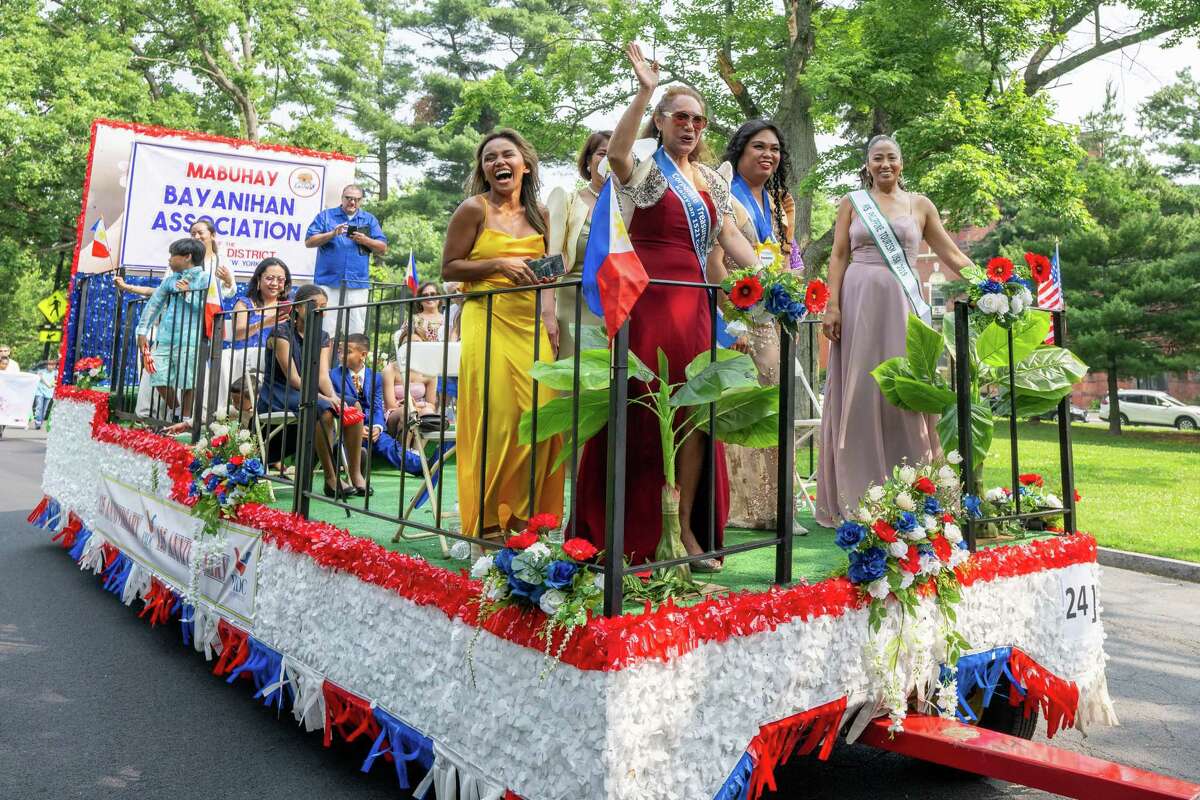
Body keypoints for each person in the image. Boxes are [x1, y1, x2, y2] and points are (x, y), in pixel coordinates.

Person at [571, 44, 761, 570]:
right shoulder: (649, 167)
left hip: (696, 305)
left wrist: (772, 280)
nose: (692, 126)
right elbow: (615, 156)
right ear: (661, 121)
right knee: (644, 407)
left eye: (699, 119)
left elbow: (734, 240)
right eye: (681, 116)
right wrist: (644, 90)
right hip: (649, 300)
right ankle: (634, 529)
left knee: (696, 415)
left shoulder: (711, 182)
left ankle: (686, 537)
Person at [815, 134, 973, 526]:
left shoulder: (920, 205)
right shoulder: (852, 203)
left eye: (892, 158)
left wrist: (989, 284)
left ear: (902, 163)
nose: (885, 164)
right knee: (861, 389)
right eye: (877, 158)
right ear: (867, 164)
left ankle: (914, 485)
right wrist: (832, 305)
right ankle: (859, 490)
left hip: (903, 306)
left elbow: (950, 253)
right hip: (858, 302)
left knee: (907, 389)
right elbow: (837, 256)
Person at [441, 129, 565, 539]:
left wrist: (550, 315)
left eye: (506, 155)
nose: (498, 162)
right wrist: (497, 265)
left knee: (542, 420)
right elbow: (450, 268)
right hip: (486, 316)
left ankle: (533, 522)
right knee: (498, 420)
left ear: (525, 165)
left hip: (531, 324)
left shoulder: (542, 215)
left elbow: (550, 273)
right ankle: (491, 521)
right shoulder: (472, 210)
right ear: (483, 170)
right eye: (489, 158)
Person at [710, 119, 798, 529]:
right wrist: (736, 321)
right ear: (740, 150)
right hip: (732, 314)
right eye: (759, 146)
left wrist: (792, 284)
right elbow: (716, 257)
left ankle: (774, 507)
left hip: (770, 315)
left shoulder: (779, 204)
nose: (768, 155)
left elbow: (786, 258)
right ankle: (741, 506)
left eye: (775, 149)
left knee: (773, 405)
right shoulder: (725, 194)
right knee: (739, 406)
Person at [258, 284, 365, 498]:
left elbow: (322, 376)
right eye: (315, 306)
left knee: (353, 404)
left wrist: (333, 396)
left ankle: (355, 474)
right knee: (323, 409)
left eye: (324, 307)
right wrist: (325, 399)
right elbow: (294, 378)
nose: (320, 312)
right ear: (299, 307)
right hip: (281, 392)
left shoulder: (322, 335)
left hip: (309, 391)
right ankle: (330, 478)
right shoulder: (281, 332)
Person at [134, 238, 235, 420]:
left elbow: (213, 309)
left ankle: (186, 420)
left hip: (192, 339)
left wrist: (188, 294)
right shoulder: (170, 281)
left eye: (173, 256)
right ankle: (177, 410)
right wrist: (142, 331)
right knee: (155, 372)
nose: (169, 260)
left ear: (187, 257)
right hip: (165, 337)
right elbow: (153, 305)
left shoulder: (207, 279)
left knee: (189, 380)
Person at [546, 131, 610, 355]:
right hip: (573, 308)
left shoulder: (632, 207)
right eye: (602, 153)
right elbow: (551, 259)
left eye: (616, 154)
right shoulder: (569, 201)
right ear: (588, 161)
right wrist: (546, 312)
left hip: (618, 309)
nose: (609, 159)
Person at [305, 185, 388, 339]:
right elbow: (309, 241)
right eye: (349, 198)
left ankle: (348, 364)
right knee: (325, 333)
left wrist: (365, 240)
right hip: (328, 282)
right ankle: (325, 363)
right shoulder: (326, 216)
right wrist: (331, 234)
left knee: (355, 334)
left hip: (357, 283)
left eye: (356, 199)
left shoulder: (369, 219)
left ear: (361, 201)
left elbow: (383, 248)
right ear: (342, 198)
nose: (352, 202)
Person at [225, 257, 293, 376]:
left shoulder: (290, 306)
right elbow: (238, 334)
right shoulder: (245, 303)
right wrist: (265, 323)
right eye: (270, 278)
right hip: (245, 364)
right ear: (258, 279)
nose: (275, 283)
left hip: (278, 365)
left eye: (280, 279)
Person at [32, 356, 58, 429]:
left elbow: (58, 379)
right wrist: (48, 385)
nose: (51, 366)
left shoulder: (56, 372)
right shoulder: (41, 371)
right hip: (40, 392)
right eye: (49, 364)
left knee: (45, 409)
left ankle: (40, 421)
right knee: (39, 407)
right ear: (47, 365)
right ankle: (37, 422)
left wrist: (53, 383)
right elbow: (40, 378)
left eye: (53, 365)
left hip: (49, 393)